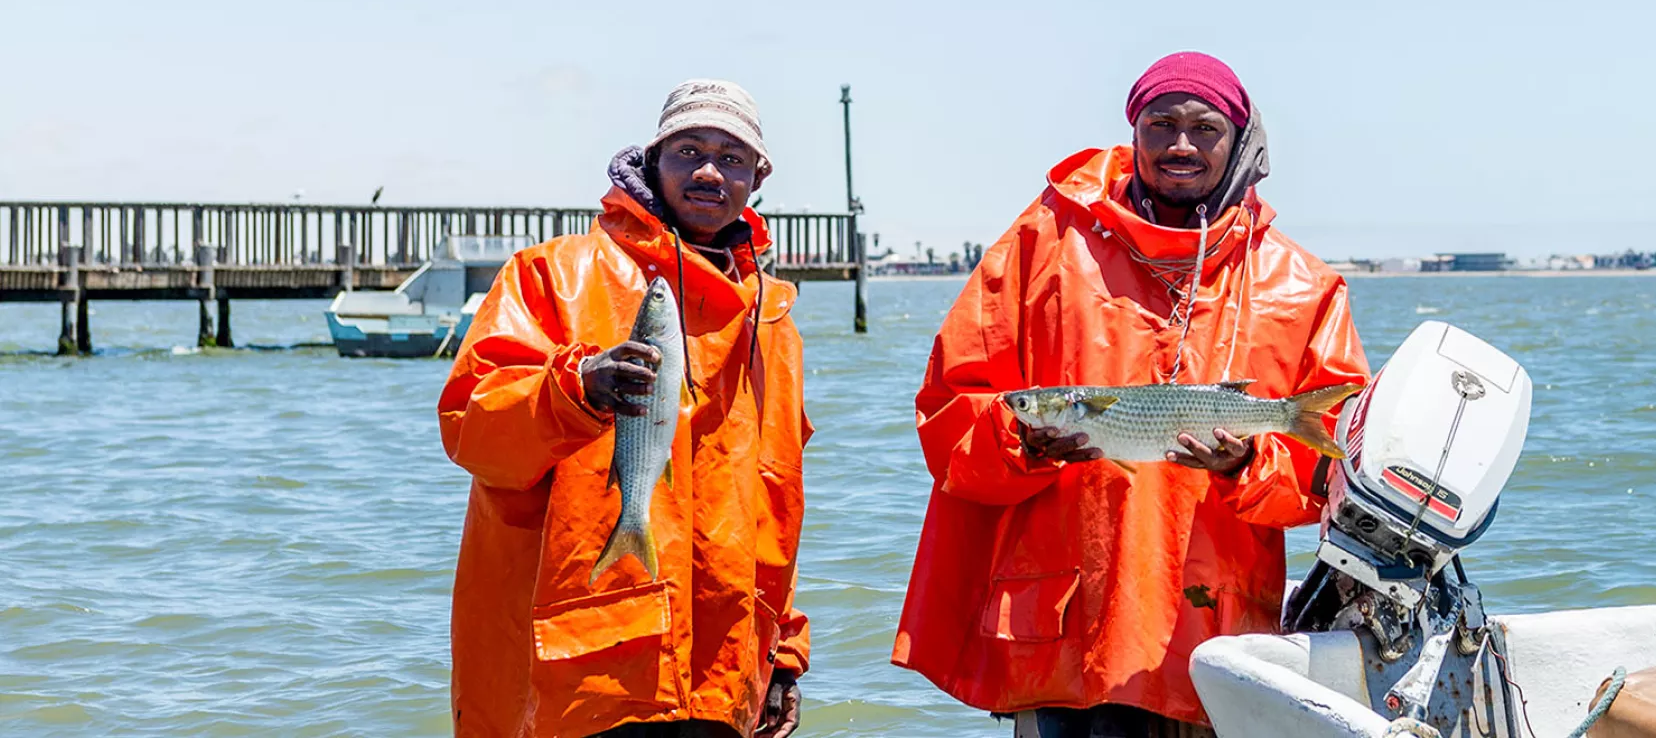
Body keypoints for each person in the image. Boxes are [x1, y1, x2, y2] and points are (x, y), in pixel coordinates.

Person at [892, 52, 1369, 736]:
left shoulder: (1304, 284)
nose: (1181, 144)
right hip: (1060, 632)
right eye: (1160, 124)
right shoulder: (1042, 245)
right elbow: (949, 408)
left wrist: (1246, 466)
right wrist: (1021, 441)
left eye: (1204, 127)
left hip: (1212, 632)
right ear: (1132, 132)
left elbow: (1337, 468)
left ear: (1240, 139)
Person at [439, 80, 810, 738]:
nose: (707, 171)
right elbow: (473, 428)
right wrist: (575, 387)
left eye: (731, 157)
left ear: (758, 175)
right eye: (688, 150)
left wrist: (782, 650)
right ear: (651, 160)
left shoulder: (770, 317)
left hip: (723, 671)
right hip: (578, 672)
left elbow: (776, 501)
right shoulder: (548, 273)